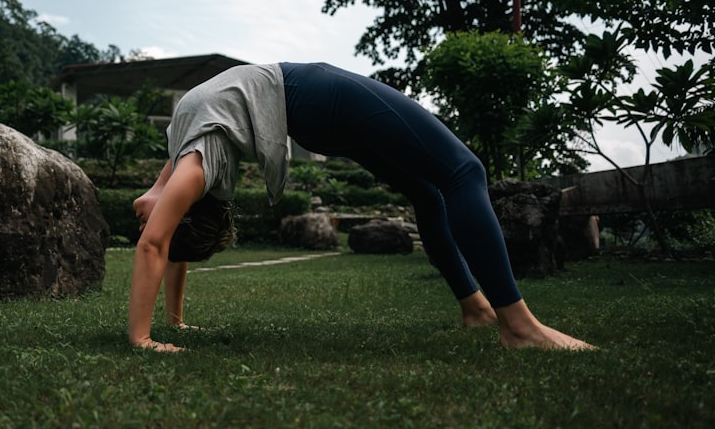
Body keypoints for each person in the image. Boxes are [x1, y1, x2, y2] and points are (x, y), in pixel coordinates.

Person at [128, 62, 594, 353]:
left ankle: (476, 308)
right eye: (164, 219)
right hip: (313, 94)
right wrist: (142, 338)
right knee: (464, 172)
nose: (142, 219)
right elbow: (156, 245)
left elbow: (169, 246)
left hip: (311, 117)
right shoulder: (194, 171)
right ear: (183, 212)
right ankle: (518, 325)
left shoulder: (178, 156)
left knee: (428, 194)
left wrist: (175, 322)